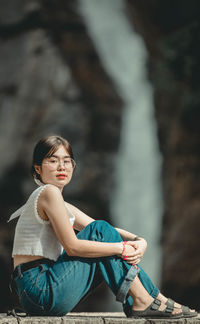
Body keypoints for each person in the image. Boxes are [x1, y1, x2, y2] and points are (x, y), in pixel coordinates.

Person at [8, 135, 196, 319]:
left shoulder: (57, 202)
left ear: (73, 166)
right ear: (38, 168)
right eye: (53, 160)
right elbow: (73, 247)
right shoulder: (48, 192)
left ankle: (154, 298)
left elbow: (105, 230)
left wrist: (139, 240)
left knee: (101, 230)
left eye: (67, 161)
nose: (61, 167)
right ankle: (144, 299)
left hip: (37, 293)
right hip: (40, 288)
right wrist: (121, 248)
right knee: (100, 231)